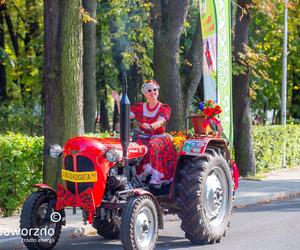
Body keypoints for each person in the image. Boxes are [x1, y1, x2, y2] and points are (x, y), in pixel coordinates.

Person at [112, 80, 177, 188]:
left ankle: (155, 180)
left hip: (158, 137)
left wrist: (152, 126)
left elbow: (161, 121)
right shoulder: (140, 107)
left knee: (153, 145)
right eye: (149, 90)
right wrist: (119, 101)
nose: (153, 92)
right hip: (142, 136)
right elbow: (126, 115)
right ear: (145, 94)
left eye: (155, 90)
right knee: (130, 149)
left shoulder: (164, 107)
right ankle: (129, 177)